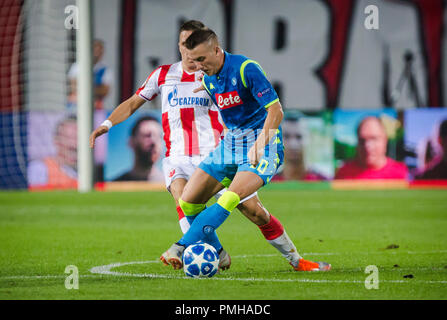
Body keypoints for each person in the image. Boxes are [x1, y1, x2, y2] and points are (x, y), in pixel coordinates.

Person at [159, 28, 331, 272]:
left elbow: (276, 111)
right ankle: (218, 253)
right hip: (230, 145)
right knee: (188, 202)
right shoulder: (208, 79)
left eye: (201, 59)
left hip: (264, 144)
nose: (197, 66)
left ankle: (181, 246)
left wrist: (261, 145)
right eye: (193, 60)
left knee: (232, 198)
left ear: (217, 50)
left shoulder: (245, 68)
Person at [335, 116, 408, 179]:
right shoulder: (343, 173)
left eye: (374, 138)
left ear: (385, 140)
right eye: (362, 140)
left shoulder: (403, 173)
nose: (368, 146)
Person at [28, 114, 78, 189]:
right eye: (68, 138)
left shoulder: (90, 172)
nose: (73, 144)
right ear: (56, 140)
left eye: (78, 138)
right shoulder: (40, 169)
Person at [273, 113, 327, 181]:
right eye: (286, 136)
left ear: (309, 138)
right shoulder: (270, 183)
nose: (293, 145)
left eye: (299, 137)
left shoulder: (323, 181)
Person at [113, 115, 164, 182]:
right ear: (131, 142)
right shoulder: (115, 185)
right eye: (147, 135)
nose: (154, 142)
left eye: (158, 136)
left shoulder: (170, 185)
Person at [67, 39, 113, 110]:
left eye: (100, 51)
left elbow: (105, 91)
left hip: (96, 107)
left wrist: (84, 88)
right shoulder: (77, 66)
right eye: (96, 50)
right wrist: (95, 89)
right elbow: (73, 87)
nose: (97, 54)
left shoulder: (106, 70)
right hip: (75, 106)